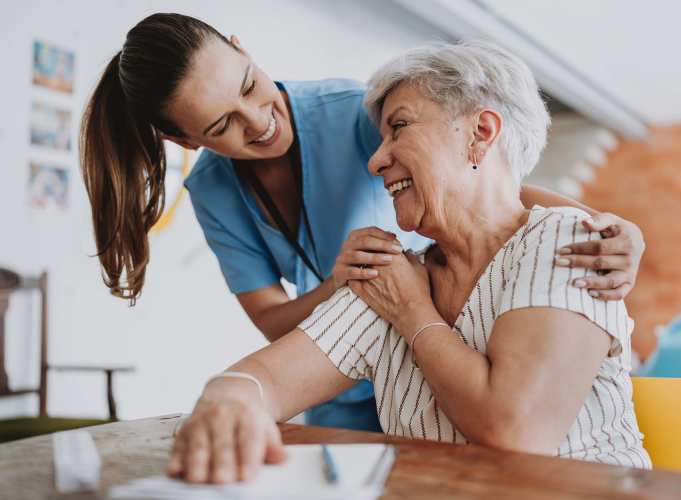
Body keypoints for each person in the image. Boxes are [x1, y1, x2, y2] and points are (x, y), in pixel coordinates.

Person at [80, 13, 645, 433]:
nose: (258, 122)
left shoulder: (355, 112)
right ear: (186, 140)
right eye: (223, 123)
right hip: (356, 368)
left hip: (422, 358)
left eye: (250, 85)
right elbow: (272, 337)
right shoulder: (215, 193)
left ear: (242, 49)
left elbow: (479, 184)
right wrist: (339, 288)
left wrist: (600, 223)